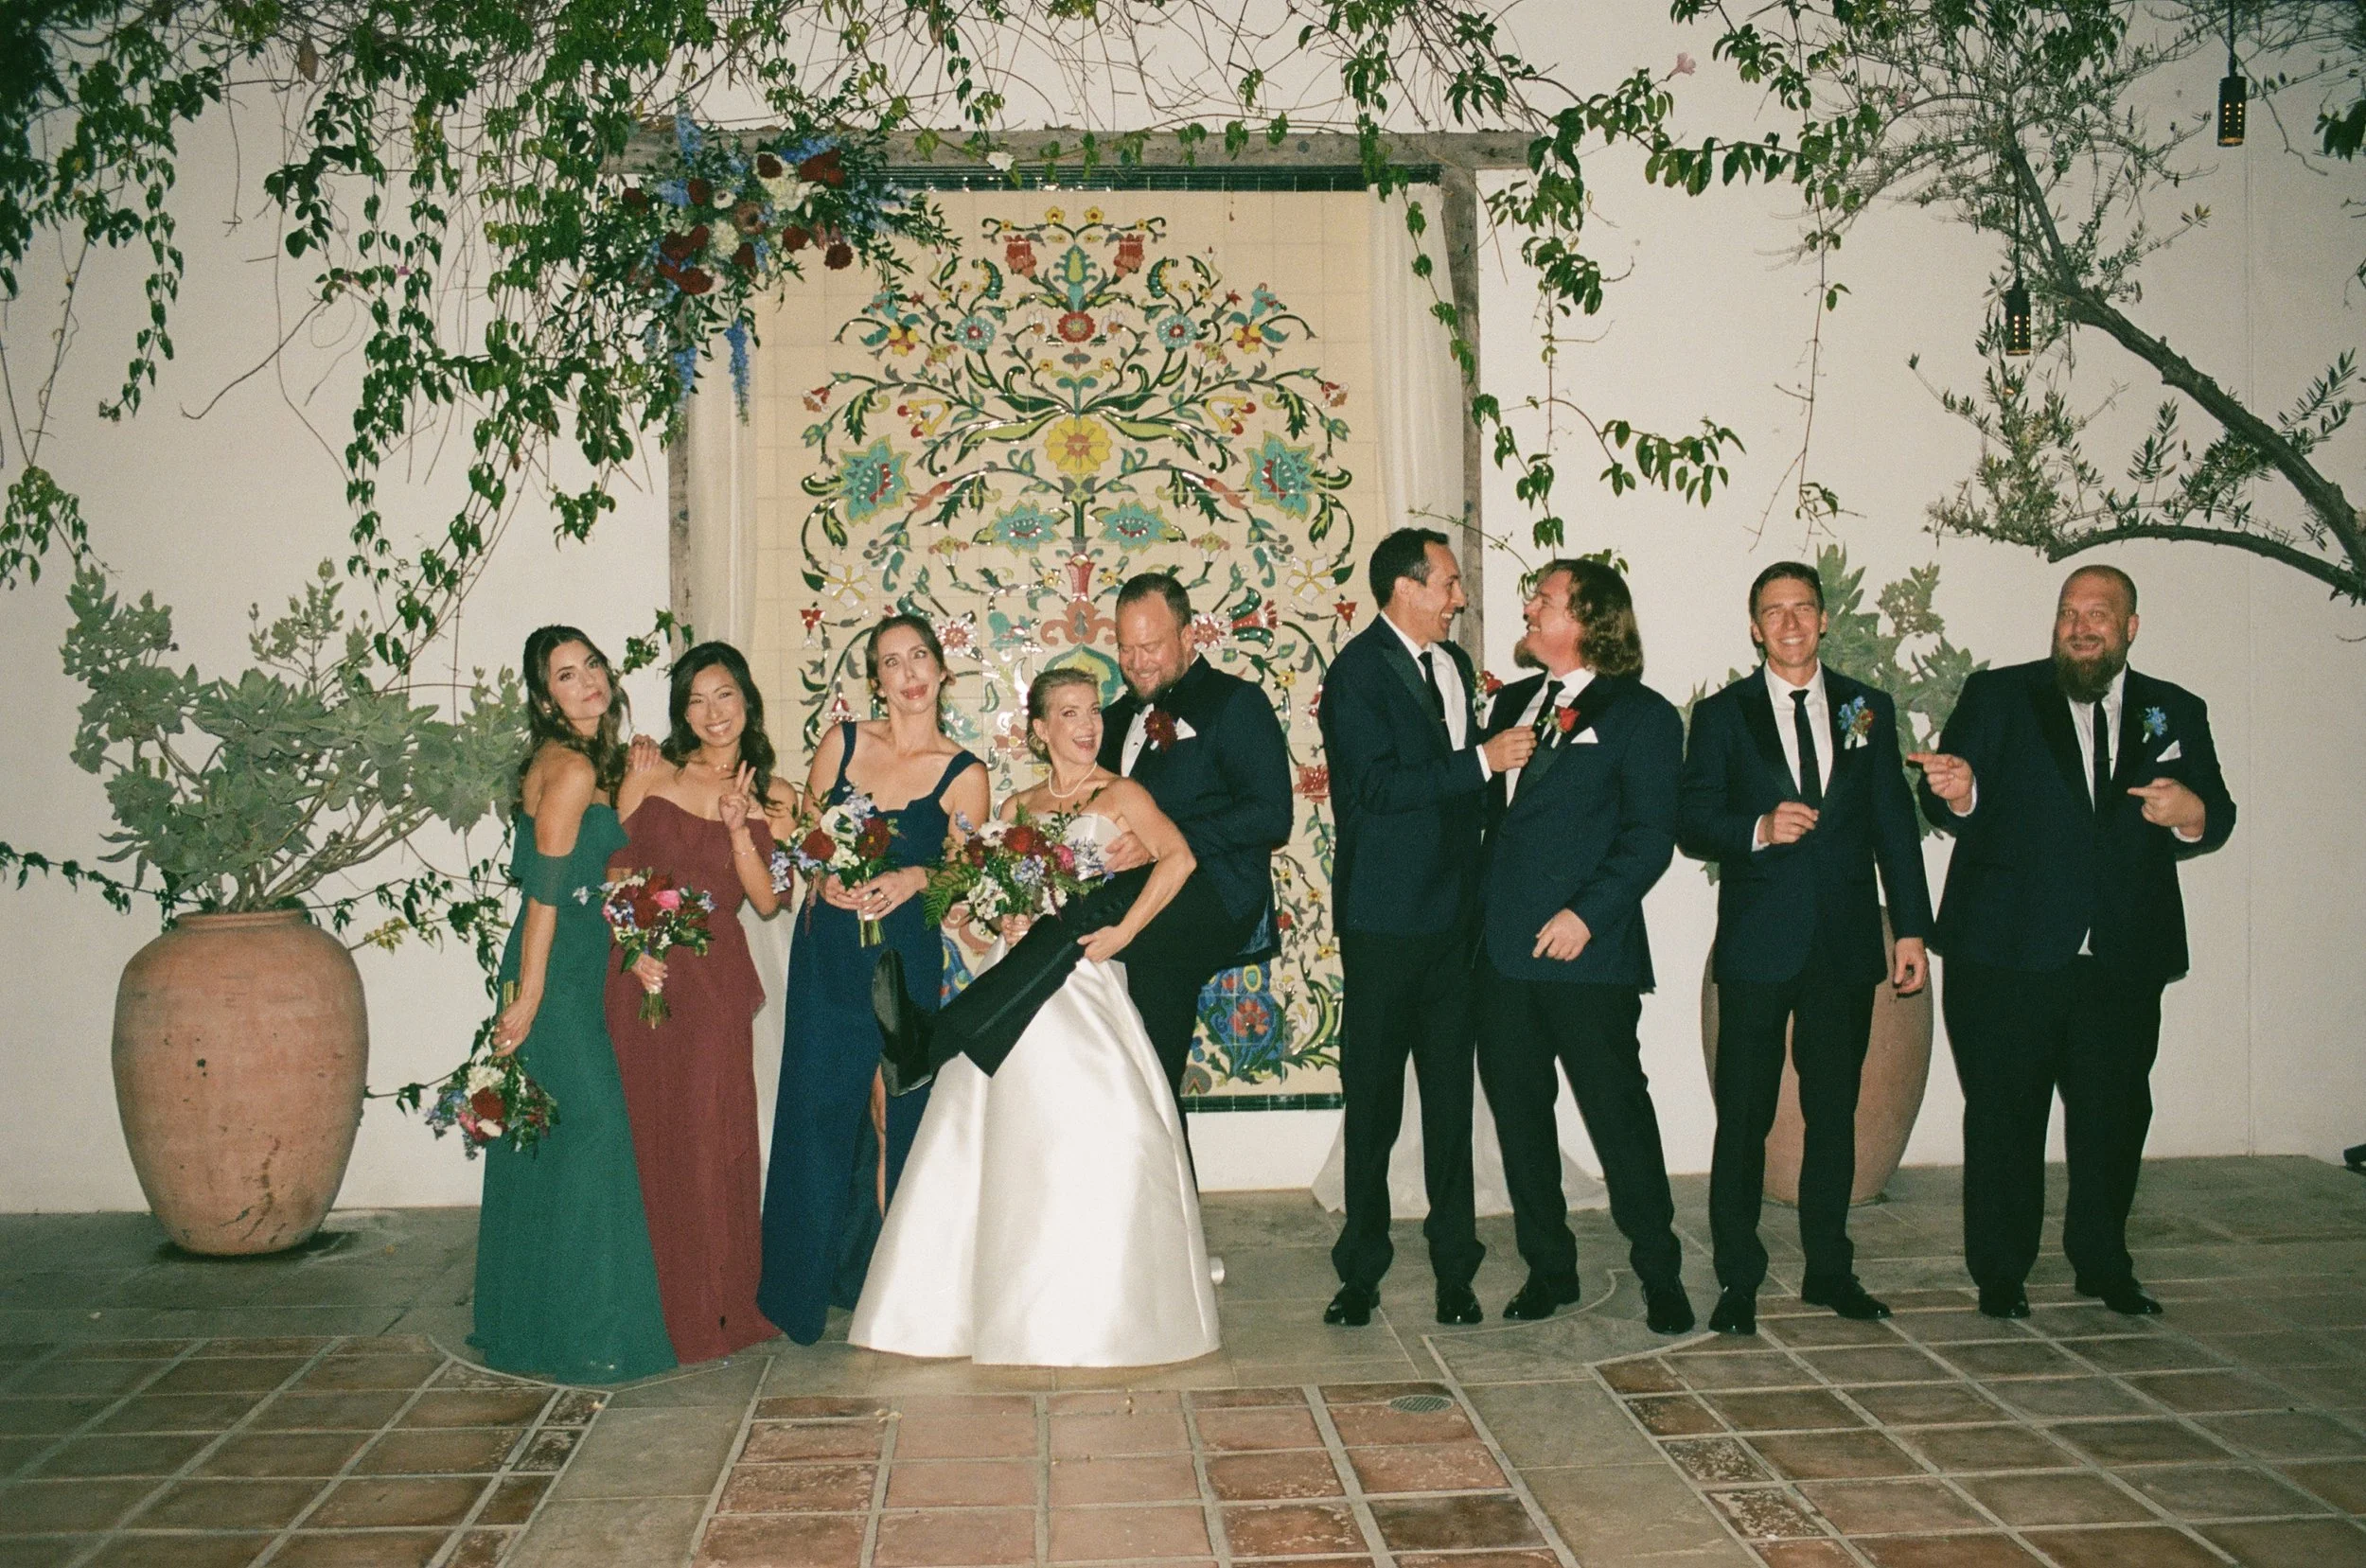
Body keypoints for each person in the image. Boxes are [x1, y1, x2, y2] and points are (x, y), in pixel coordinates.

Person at [851, 667, 1220, 1366]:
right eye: (1069, 713)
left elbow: (1180, 859)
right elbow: (987, 900)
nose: (1087, 725)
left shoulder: (1123, 794)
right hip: (1019, 969)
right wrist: (1000, 919)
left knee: (1111, 1131)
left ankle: (930, 1040)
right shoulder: (1017, 806)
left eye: (1093, 711)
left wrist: (1126, 931)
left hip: (1084, 971)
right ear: (1041, 729)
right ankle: (980, 1296)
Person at [1910, 565, 2234, 1320]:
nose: (2081, 627)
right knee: (2003, 1116)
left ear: (2130, 627)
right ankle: (2000, 1271)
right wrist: (1960, 790)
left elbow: (2215, 811)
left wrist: (2189, 811)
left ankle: (2103, 1262)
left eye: (2099, 614)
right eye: (2069, 613)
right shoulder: (2000, 695)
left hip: (2120, 957)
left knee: (2113, 1117)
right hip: (2007, 951)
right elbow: (1952, 792)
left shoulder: (2175, 709)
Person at [874, 574, 1290, 1107]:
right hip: (1136, 905)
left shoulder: (1236, 702)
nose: (1136, 662)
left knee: (1082, 920)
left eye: (1151, 646)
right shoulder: (1112, 720)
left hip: (1213, 896)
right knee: (1149, 1081)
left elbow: (1271, 816)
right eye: (1126, 648)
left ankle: (934, 1041)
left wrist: (1159, 840)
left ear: (1188, 636)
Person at [1679, 562, 1935, 1337]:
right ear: (1755, 627)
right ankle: (1739, 1277)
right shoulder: (1723, 714)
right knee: (1743, 1117)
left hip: (1844, 944)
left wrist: (1913, 928)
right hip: (1758, 946)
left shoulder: (1868, 707)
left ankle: (1830, 1268)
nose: (1790, 623)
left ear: (1824, 619)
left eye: (1802, 608)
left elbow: (1894, 822)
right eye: (1774, 611)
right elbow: (1691, 819)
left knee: (1834, 1114)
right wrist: (1757, 829)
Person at [1319, 528, 1531, 1330]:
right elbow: (1375, 788)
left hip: (1455, 921)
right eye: (1448, 583)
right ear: (1406, 588)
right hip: (1383, 921)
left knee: (1450, 1100)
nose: (1459, 598)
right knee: (1374, 1102)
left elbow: (1462, 792)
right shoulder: (1355, 673)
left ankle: (1455, 1269)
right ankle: (1360, 1271)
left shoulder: (1453, 667)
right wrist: (1483, 761)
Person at [1474, 559, 1694, 1335]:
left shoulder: (1644, 715)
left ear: (1591, 619)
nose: (1529, 607)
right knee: (1520, 1118)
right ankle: (1549, 1268)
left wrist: (1585, 916)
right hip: (1501, 954)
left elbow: (1649, 837)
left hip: (1588, 956)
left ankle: (1661, 1270)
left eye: (1546, 599)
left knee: (1617, 1114)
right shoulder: (1508, 703)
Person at [759, 614, 989, 1346]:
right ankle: (799, 1292)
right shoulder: (843, 742)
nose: (909, 673)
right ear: (876, 679)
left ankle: (904, 1293)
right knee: (815, 1112)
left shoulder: (966, 773)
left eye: (920, 656)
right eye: (892, 661)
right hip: (829, 953)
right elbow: (806, 840)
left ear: (942, 670)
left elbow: (963, 876)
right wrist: (820, 877)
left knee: (903, 1118)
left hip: (902, 962)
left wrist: (918, 875)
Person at [473, 626, 676, 1383]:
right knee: (595, 1132)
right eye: (566, 674)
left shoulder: (583, 762)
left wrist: (636, 788)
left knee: (551, 1142)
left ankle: (536, 1324)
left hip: (575, 967)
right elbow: (547, 895)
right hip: (552, 975)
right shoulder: (570, 768)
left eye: (591, 664)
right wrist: (528, 997)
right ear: (545, 696)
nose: (587, 679)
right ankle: (591, 1332)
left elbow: (592, 872)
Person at [604, 643, 797, 1363]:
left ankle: (716, 1302)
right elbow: (616, 873)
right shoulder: (650, 772)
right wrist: (633, 947)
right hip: (642, 974)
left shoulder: (776, 795)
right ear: (682, 712)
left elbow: (768, 900)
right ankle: (650, 1304)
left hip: (712, 982)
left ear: (747, 700)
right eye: (696, 700)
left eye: (725, 695)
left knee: (711, 1136)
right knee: (648, 1131)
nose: (713, 713)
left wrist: (741, 825)